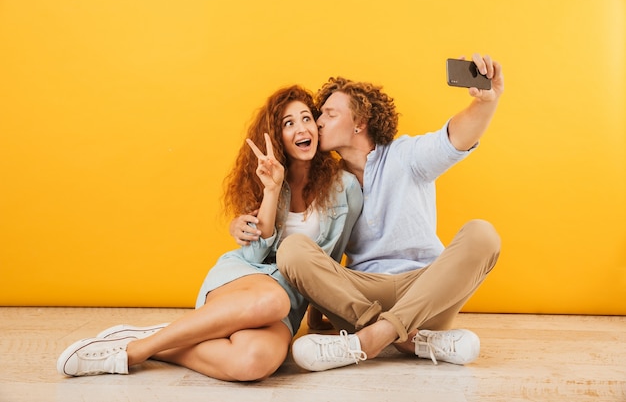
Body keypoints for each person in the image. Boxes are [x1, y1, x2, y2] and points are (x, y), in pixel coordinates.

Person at [56, 85, 363, 381]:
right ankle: (134, 352)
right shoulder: (267, 177)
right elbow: (255, 253)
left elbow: (331, 262)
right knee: (274, 300)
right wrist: (271, 190)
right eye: (289, 123)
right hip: (246, 276)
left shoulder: (345, 187)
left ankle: (158, 340)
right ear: (278, 136)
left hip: (289, 298)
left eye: (307, 118)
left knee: (253, 362)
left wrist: (320, 315)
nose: (301, 129)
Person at [231, 53, 503, 371]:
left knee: (483, 234)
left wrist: (485, 103)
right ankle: (410, 340)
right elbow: (294, 240)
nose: (317, 123)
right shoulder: (326, 181)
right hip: (358, 296)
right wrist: (242, 224)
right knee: (292, 250)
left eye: (329, 115)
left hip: (423, 291)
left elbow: (456, 137)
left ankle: (373, 339)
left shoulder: (406, 156)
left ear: (359, 122)